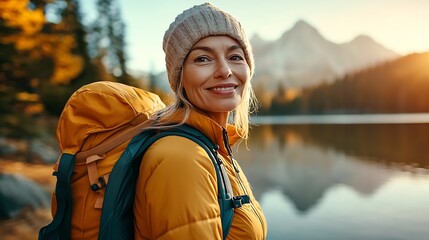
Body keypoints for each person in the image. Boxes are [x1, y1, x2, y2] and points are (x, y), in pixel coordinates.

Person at [133, 3, 267, 239]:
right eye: (203, 59)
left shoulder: (213, 147)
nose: (225, 70)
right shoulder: (181, 158)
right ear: (179, 76)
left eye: (235, 56)